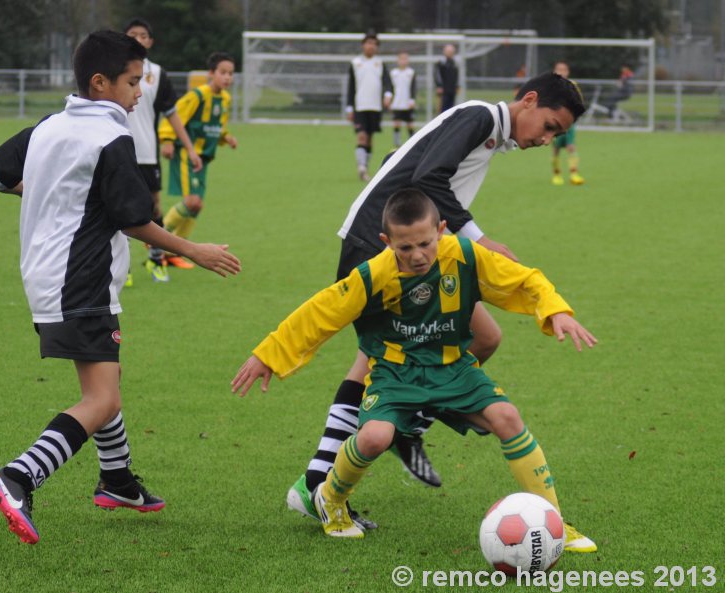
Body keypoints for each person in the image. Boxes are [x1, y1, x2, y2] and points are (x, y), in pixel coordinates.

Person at [279, 71, 586, 531]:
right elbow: (426, 176)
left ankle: (406, 424)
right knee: (376, 359)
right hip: (381, 252)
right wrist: (480, 238)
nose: (546, 139)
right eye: (549, 126)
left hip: (414, 252)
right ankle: (316, 483)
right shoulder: (481, 117)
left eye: (556, 135)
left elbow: (402, 161)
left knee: (484, 337)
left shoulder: (485, 131)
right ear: (529, 100)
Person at [0, 30, 241, 545]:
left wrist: (57, 194)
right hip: (81, 279)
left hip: (46, 275)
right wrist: (195, 251)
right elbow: (135, 220)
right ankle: (17, 477)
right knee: (99, 399)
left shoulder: (51, 125)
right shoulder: (110, 135)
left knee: (106, 383)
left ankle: (117, 480)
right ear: (100, 83)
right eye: (131, 81)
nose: (139, 92)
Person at [232, 188, 597, 551]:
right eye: (404, 248)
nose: (418, 255)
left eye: (425, 243)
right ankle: (329, 498)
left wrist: (555, 310)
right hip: (396, 374)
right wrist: (270, 354)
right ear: (386, 241)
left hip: (454, 368)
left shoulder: (466, 255)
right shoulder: (373, 275)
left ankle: (555, 523)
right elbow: (320, 312)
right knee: (375, 437)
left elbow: (522, 279)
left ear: (441, 230)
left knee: (507, 417)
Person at [124, 17, 198, 282]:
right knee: (118, 207)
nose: (138, 39)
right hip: (118, 152)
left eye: (143, 35)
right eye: (132, 34)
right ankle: (124, 269)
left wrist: (189, 148)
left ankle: (156, 261)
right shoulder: (114, 70)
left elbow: (173, 114)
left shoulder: (157, 74)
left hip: (147, 152)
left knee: (154, 207)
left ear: (150, 41)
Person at [160, 52, 238, 269]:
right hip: (187, 153)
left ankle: (170, 253)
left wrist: (226, 137)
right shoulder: (197, 96)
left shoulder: (225, 99)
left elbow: (218, 125)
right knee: (192, 201)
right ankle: (156, 240)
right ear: (211, 74)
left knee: (197, 207)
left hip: (204, 157)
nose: (227, 78)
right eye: (223, 73)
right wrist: (166, 139)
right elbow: (174, 115)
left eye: (231, 74)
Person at [346, 31, 392, 182]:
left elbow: (387, 83)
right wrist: (349, 107)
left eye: (374, 43)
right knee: (361, 136)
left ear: (377, 47)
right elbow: (351, 87)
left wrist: (387, 95)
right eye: (368, 43)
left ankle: (365, 166)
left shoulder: (380, 64)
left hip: (375, 107)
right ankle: (361, 167)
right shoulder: (355, 63)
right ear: (363, 45)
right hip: (360, 106)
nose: (371, 46)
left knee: (370, 138)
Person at [550, 60, 584, 186]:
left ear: (568, 72)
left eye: (564, 69)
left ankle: (574, 174)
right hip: (555, 123)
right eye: (559, 69)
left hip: (569, 123)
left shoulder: (573, 85)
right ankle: (557, 174)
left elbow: (579, 101)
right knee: (556, 149)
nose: (561, 72)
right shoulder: (551, 86)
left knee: (571, 147)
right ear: (554, 72)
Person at [390, 51, 417, 148]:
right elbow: (390, 88)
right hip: (397, 103)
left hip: (407, 103)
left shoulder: (411, 72)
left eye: (405, 59)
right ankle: (397, 142)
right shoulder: (393, 73)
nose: (403, 61)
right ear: (398, 60)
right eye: (401, 58)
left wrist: (412, 100)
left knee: (409, 123)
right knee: (396, 122)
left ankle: (412, 142)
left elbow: (413, 87)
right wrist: (390, 99)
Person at [435, 44, 460, 113]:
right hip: (443, 90)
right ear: (445, 52)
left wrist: (457, 86)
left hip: (452, 90)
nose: (450, 53)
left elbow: (456, 76)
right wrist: (439, 86)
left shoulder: (454, 63)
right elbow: (438, 75)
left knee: (451, 109)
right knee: (442, 109)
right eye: (448, 51)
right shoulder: (441, 63)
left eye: (451, 52)